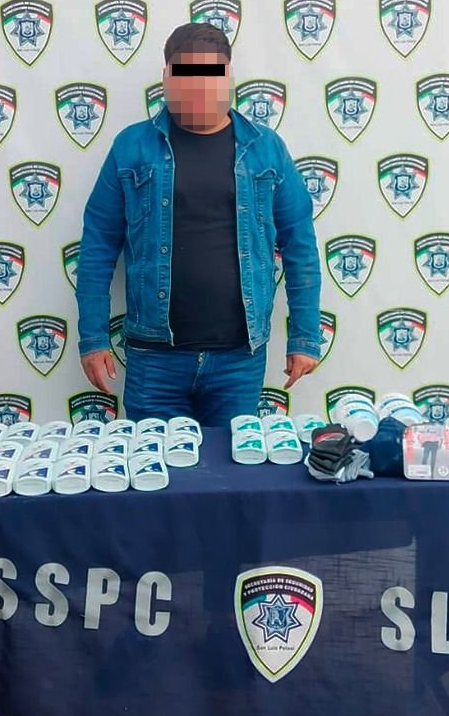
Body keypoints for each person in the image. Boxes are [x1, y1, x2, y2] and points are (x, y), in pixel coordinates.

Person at [75, 22, 321, 426]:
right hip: (154, 358)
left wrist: (305, 336)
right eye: (187, 75)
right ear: (167, 78)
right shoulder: (131, 147)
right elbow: (97, 247)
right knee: (154, 466)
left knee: (231, 467)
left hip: (239, 360)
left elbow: (300, 245)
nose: (199, 87)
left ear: (228, 78)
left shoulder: (266, 149)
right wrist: (93, 338)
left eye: (210, 75)